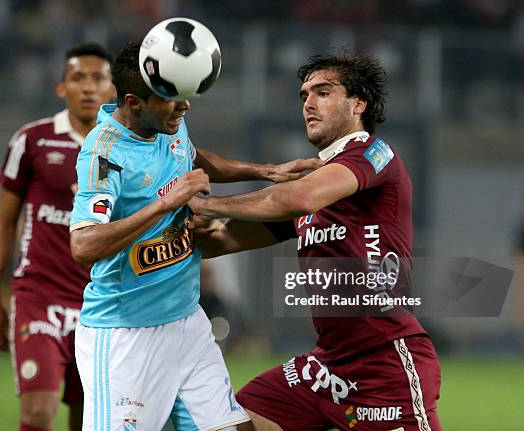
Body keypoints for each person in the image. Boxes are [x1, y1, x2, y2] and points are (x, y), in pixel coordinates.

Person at [69, 41, 320, 431]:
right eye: (172, 100)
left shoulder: (167, 122)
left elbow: (190, 155)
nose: (184, 107)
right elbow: (84, 246)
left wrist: (266, 170)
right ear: (135, 102)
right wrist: (165, 204)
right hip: (124, 337)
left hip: (187, 324)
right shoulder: (103, 155)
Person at [189, 53, 443, 430]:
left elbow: (295, 198)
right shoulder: (318, 185)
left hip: (384, 361)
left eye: (323, 92)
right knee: (231, 422)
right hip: (327, 367)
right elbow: (219, 241)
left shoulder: (374, 154)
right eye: (304, 94)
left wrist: (210, 204)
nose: (308, 102)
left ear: (358, 104)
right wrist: (162, 213)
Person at [0, 43, 116, 431]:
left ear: (112, 90)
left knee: (88, 419)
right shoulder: (32, 140)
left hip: (99, 305)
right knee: (38, 415)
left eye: (98, 78)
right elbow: (4, 222)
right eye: (78, 78)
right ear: (62, 88)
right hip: (39, 296)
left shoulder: (122, 148)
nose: (88, 87)